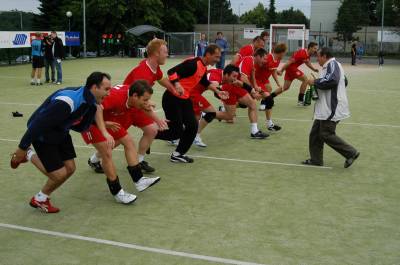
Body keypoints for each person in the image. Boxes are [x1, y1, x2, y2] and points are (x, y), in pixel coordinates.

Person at [10, 72, 112, 213]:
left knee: (70, 169)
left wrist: (103, 125)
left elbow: (81, 126)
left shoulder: (91, 102)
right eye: (106, 89)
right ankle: (28, 154)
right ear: (94, 87)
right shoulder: (67, 102)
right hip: (43, 134)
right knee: (58, 175)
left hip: (61, 131)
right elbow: (37, 124)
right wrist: (22, 147)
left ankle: (40, 199)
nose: (109, 94)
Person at [90, 38, 171, 173]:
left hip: (135, 106)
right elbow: (141, 103)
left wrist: (175, 89)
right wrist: (157, 119)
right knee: (117, 140)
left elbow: (161, 79)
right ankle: (94, 160)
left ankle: (139, 161)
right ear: (156, 53)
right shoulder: (142, 72)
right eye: (165, 52)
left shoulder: (154, 68)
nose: (167, 54)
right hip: (126, 107)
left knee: (151, 130)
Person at [82, 81, 161, 204]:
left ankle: (139, 180)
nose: (147, 103)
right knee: (107, 153)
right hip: (89, 122)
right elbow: (91, 109)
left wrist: (148, 106)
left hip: (107, 119)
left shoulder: (132, 97)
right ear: (135, 96)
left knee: (128, 141)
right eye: (145, 100)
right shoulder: (114, 97)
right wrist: (104, 124)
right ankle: (117, 192)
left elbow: (143, 105)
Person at [155, 44, 221, 163]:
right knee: (176, 132)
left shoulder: (203, 67)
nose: (218, 60)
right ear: (208, 54)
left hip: (184, 99)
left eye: (219, 57)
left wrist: (217, 91)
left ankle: (178, 154)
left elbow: (204, 82)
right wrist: (177, 84)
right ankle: (151, 134)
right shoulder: (193, 64)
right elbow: (171, 72)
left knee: (192, 126)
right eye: (216, 57)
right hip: (172, 98)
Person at [302, 47, 360, 168]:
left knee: (325, 134)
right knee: (315, 133)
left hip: (332, 107)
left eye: (318, 56)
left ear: (324, 56)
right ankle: (316, 160)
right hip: (326, 107)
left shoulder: (332, 64)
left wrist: (315, 82)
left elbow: (332, 80)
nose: (316, 58)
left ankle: (351, 152)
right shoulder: (330, 66)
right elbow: (344, 81)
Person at [194, 64, 262, 146]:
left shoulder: (229, 77)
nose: (235, 79)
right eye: (233, 76)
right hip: (191, 92)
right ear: (226, 75)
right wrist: (220, 92)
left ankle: (182, 136)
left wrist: (252, 91)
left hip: (194, 92)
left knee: (227, 116)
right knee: (207, 113)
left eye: (236, 76)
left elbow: (240, 83)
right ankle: (193, 135)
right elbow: (214, 86)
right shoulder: (216, 76)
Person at [255, 43, 288, 131]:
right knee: (246, 102)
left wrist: (278, 83)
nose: (285, 55)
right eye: (284, 52)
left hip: (263, 80)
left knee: (269, 95)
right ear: (281, 52)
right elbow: (256, 66)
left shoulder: (277, 60)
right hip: (256, 80)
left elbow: (273, 71)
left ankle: (269, 124)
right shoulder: (268, 58)